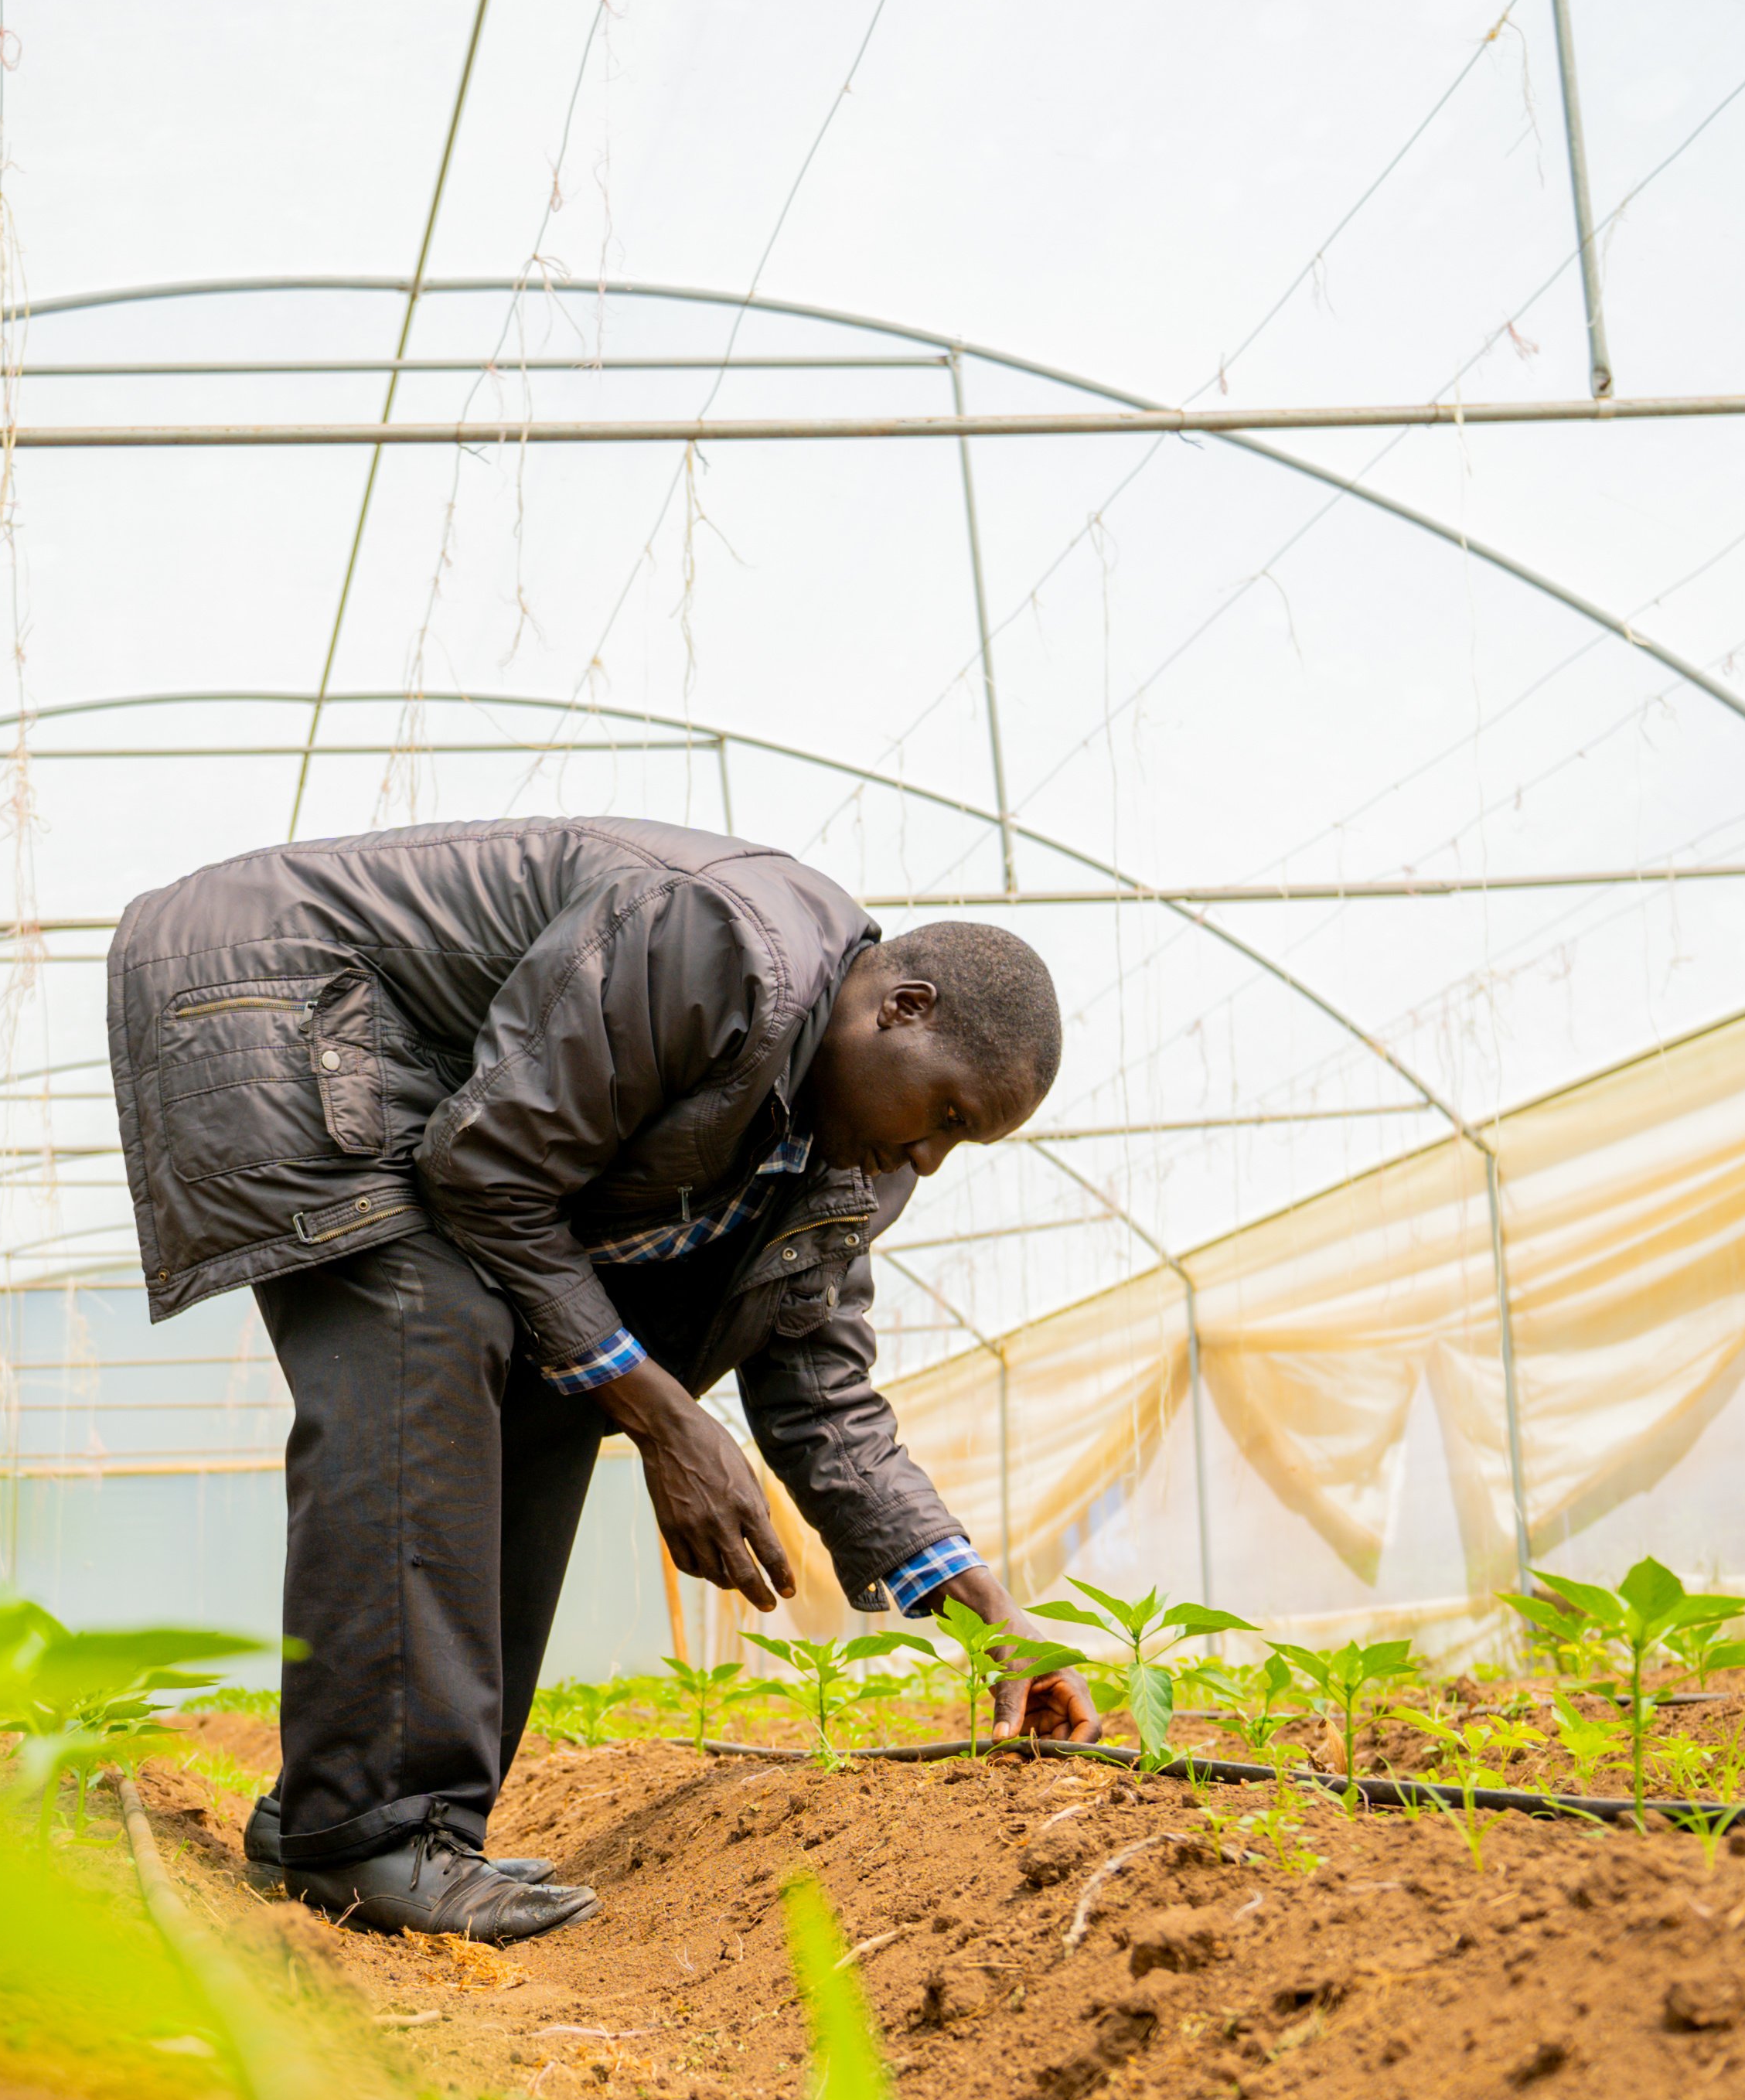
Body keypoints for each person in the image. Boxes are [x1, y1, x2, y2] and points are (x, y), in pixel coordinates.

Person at [107, 816, 1079, 1941]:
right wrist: (666, 1420)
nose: (927, 1159)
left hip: (446, 1095)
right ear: (898, 1007)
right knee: (432, 1325)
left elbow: (818, 1389)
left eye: (963, 1145)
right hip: (289, 990)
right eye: (945, 1114)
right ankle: (365, 1835)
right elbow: (489, 1166)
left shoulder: (849, 1168)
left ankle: (372, 1826)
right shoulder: (722, 945)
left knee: (559, 1376)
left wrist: (979, 1601)